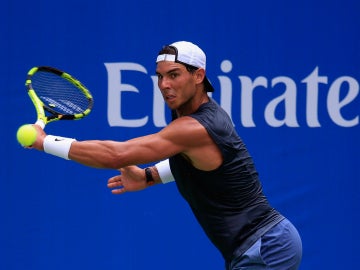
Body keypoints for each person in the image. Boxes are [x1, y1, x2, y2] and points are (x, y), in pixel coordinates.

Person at [30, 41, 302, 269]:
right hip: (259, 244)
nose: (164, 84)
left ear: (198, 76)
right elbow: (197, 163)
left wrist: (45, 142)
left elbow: (117, 155)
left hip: (266, 247)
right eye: (160, 76)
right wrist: (148, 176)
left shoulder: (195, 127)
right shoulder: (191, 111)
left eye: (174, 74)